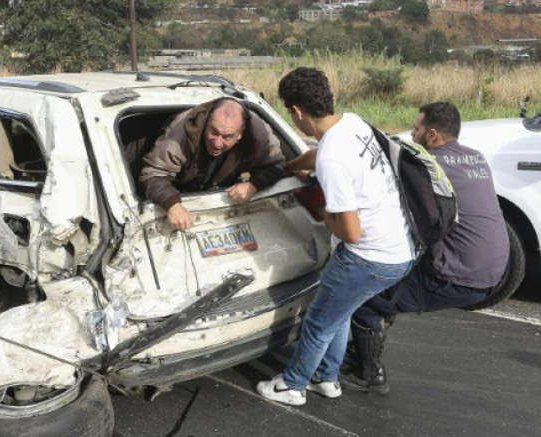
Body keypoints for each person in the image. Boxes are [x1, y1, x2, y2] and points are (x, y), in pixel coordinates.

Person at [255, 67, 414, 406]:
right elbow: (317, 154)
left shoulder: (332, 159)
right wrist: (287, 167)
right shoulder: (352, 123)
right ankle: (327, 379)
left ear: (296, 111)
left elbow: (351, 233)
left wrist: (328, 216)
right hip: (399, 250)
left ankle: (293, 385)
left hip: (369, 257)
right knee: (338, 314)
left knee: (317, 321)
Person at [340, 101, 509, 395]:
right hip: (497, 268)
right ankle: (366, 345)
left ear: (432, 136)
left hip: (458, 276)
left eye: (416, 129)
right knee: (392, 287)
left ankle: (369, 374)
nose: (412, 133)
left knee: (367, 297)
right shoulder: (476, 158)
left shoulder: (427, 166)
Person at [139, 97, 286, 230]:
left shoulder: (260, 136)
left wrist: (254, 185)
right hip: (178, 185)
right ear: (207, 121)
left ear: (241, 134)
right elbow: (153, 172)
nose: (217, 143)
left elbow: (277, 164)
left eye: (227, 137)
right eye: (213, 132)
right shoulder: (181, 131)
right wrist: (171, 204)